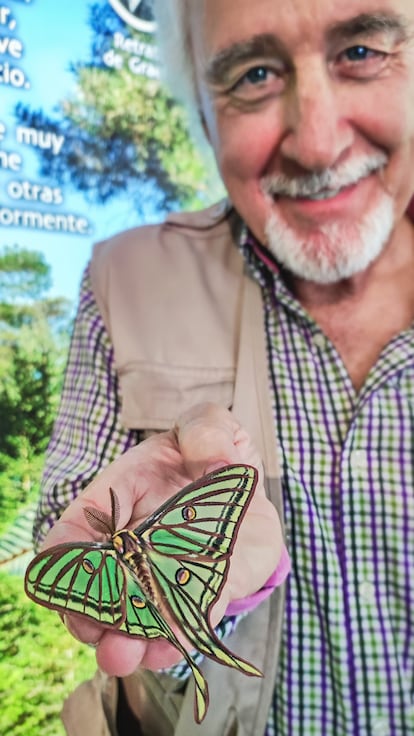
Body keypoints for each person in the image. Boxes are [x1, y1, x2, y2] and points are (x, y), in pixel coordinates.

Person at [33, 0, 414, 734]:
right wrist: (202, 602)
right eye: (255, 73)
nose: (318, 141)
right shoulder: (124, 277)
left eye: (362, 50)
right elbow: (67, 520)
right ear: (205, 118)